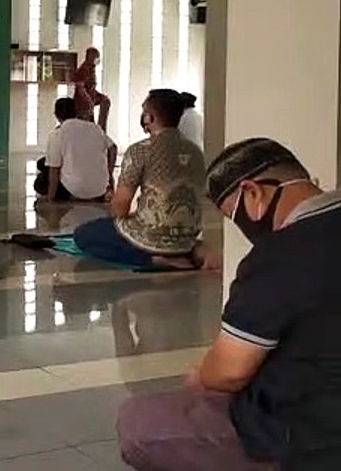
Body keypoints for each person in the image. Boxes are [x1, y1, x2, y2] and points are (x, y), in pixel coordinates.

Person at [118, 138, 341, 470]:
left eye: (234, 215)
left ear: (254, 193)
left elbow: (229, 372)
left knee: (139, 422)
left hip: (310, 433)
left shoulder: (280, 256)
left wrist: (201, 376)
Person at [72, 89, 208, 269]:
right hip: (188, 237)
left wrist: (120, 220)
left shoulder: (140, 150)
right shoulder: (196, 152)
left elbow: (121, 205)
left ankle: (154, 259)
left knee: (83, 234)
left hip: (150, 237)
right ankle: (189, 252)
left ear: (149, 118)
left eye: (144, 112)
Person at [35, 97, 116, 202]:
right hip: (100, 189)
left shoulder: (57, 134)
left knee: (40, 182)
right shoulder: (94, 127)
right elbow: (113, 148)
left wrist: (51, 198)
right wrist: (109, 174)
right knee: (41, 163)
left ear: (56, 115)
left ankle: (67, 195)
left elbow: (54, 169)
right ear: (76, 112)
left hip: (75, 190)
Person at [73, 47, 111, 131]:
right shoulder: (83, 70)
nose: (98, 59)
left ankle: (101, 127)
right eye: (97, 57)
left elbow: (91, 88)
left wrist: (99, 97)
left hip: (91, 98)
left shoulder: (91, 69)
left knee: (106, 101)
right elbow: (80, 88)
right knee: (87, 126)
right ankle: (98, 130)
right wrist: (89, 101)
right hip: (83, 103)